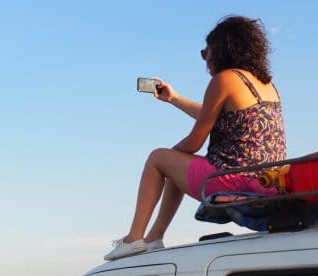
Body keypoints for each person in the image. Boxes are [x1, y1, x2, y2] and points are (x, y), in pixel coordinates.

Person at [104, 15, 287, 261]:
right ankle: (154, 237)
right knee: (175, 161)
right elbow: (216, 116)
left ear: (222, 49)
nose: (205, 58)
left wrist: (170, 157)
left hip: (234, 180)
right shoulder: (266, 85)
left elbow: (194, 142)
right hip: (266, 182)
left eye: (205, 52)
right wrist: (174, 99)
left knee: (159, 158)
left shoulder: (224, 79)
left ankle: (133, 238)